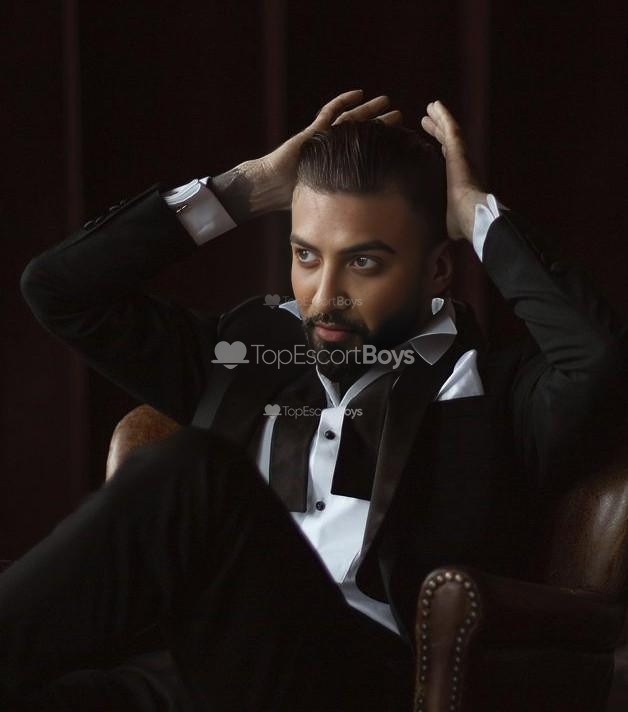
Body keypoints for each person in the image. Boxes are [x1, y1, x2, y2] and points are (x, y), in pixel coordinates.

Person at [8, 91, 627, 711]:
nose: (325, 296)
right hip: (190, 673)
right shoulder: (240, 356)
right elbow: (58, 290)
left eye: (363, 262)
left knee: (193, 469)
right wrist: (245, 190)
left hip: (354, 682)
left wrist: (474, 214)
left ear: (438, 271)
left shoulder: (498, 393)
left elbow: (599, 359)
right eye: (306, 255)